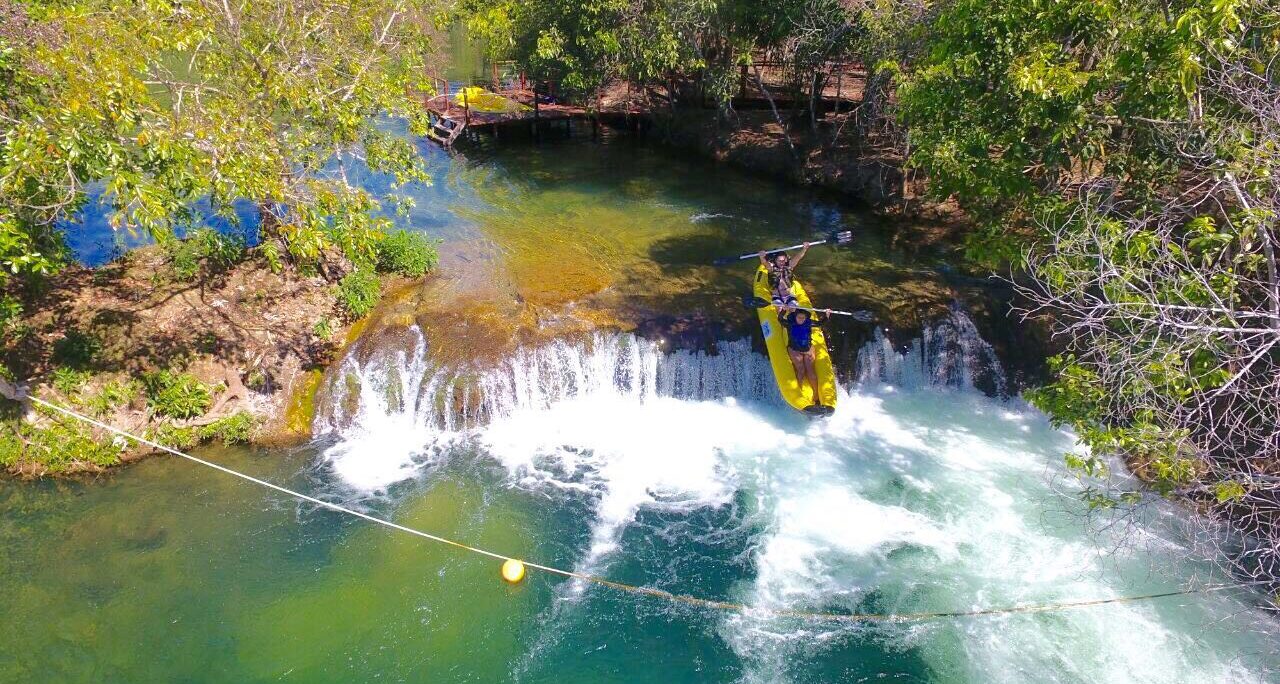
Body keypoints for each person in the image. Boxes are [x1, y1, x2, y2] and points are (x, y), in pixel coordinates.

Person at [781, 307, 829, 409]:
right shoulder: (789, 323)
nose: (801, 320)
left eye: (803, 318)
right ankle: (799, 392)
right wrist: (783, 310)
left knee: (810, 371)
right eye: (799, 317)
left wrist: (827, 315)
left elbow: (820, 323)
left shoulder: (808, 322)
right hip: (794, 350)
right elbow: (780, 319)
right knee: (801, 370)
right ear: (795, 317)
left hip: (808, 350)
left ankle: (816, 396)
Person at [758, 241, 811, 313]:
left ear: (786, 259)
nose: (781, 263)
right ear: (775, 260)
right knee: (780, 310)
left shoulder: (789, 266)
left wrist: (804, 249)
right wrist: (762, 256)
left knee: (794, 310)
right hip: (777, 296)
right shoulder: (771, 269)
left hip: (789, 295)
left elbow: (798, 257)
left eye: (783, 261)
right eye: (779, 261)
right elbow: (764, 263)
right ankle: (780, 317)